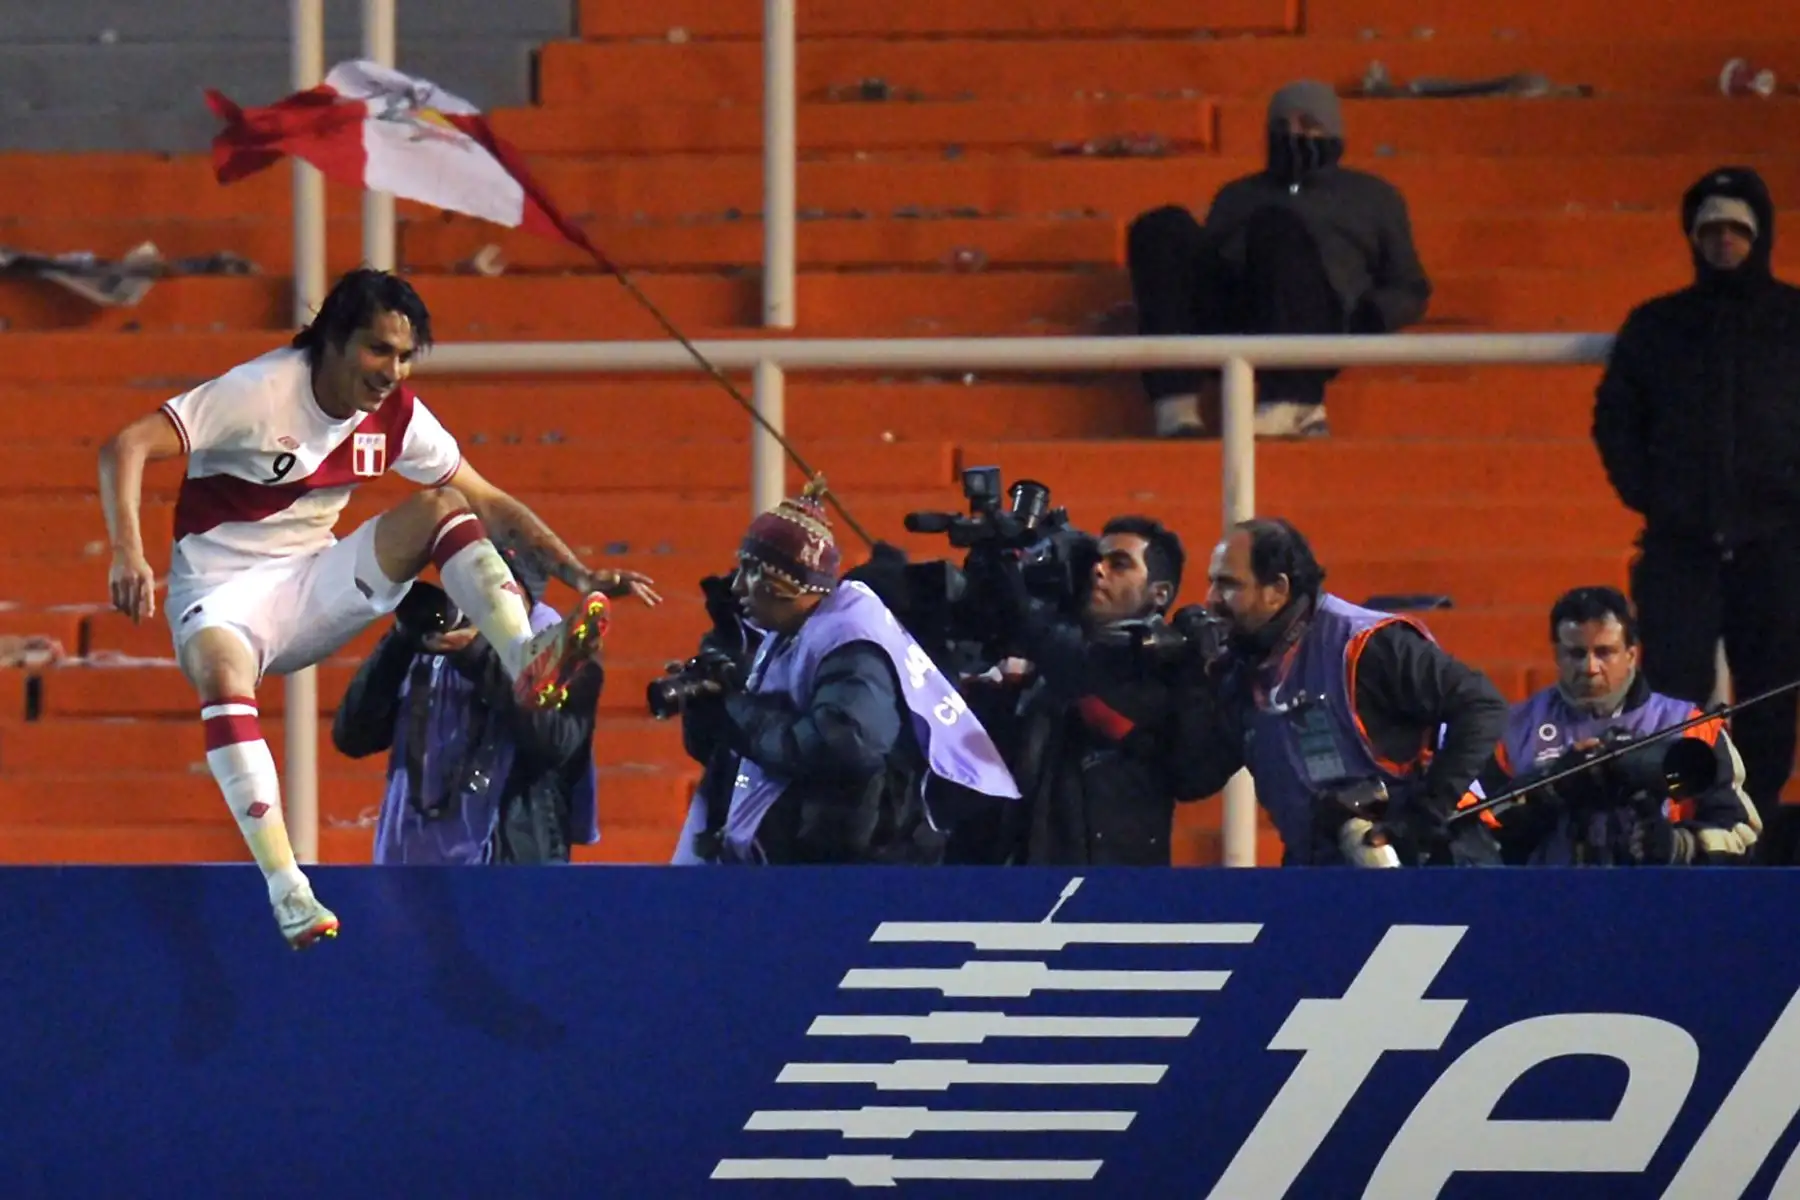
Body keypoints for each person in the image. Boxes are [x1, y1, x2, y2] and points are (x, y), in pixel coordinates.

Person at [97, 268, 659, 948]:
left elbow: (486, 498)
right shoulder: (260, 391)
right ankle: (289, 889)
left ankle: (525, 660)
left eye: (403, 355)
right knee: (221, 671)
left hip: (313, 580)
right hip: (219, 590)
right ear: (333, 339)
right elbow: (124, 446)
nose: (391, 370)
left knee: (443, 504)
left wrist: (579, 572)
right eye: (377, 350)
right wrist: (129, 550)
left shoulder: (396, 417)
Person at [1592, 166, 1800, 862]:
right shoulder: (1656, 326)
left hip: (1777, 546)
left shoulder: (1794, 321)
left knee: (1771, 695)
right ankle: (1672, 828)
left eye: (1737, 229)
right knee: (1673, 692)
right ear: (1692, 236)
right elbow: (1615, 422)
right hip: (1680, 546)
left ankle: (1756, 831)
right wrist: (1659, 499)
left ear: (1760, 235)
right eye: (1710, 229)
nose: (1723, 241)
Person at [671, 484, 1020, 865]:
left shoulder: (851, 641)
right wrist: (711, 716)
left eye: (751, 571)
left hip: (847, 872)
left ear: (785, 582)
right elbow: (756, 747)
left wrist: (735, 713)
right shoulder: (793, 633)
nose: (737, 587)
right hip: (801, 861)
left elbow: (847, 745)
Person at [1182, 518, 1508, 866]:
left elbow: (1482, 705)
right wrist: (1196, 678)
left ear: (1277, 589)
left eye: (1228, 585)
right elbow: (1194, 780)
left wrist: (1422, 817)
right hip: (1323, 874)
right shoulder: (1238, 672)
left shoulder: (1365, 644)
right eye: (1212, 583)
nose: (1210, 599)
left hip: (1433, 863)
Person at [1126, 80, 1430, 440]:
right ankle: (1175, 400)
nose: (1293, 134)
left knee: (1277, 226)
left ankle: (1293, 399)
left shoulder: (1372, 197)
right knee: (1163, 225)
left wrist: (1373, 314)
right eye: (1281, 126)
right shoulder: (1238, 195)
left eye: (1307, 124)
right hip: (1243, 308)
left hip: (1320, 317)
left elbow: (1409, 285)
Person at [330, 542, 602, 866]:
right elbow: (353, 737)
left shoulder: (565, 649)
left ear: (523, 596)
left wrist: (478, 655)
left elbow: (554, 742)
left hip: (512, 872)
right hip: (409, 867)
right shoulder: (429, 643)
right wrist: (399, 642)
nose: (478, 599)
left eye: (493, 588)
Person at [1456, 587, 1759, 866]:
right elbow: (1475, 836)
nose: (1589, 668)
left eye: (1604, 652)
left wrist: (1680, 845)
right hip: (1546, 902)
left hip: (1663, 902)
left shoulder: (1691, 727)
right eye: (1576, 653)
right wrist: (1551, 788)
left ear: (1631, 653)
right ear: (1557, 655)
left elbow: (1742, 835)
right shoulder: (1511, 730)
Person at [996, 517, 1224, 866]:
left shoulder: (1164, 669)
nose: (1097, 571)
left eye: (1120, 564)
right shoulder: (1047, 656)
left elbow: (1086, 675)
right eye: (1095, 561)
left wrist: (1029, 612)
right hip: (1023, 881)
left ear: (1159, 592)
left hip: (1114, 895)